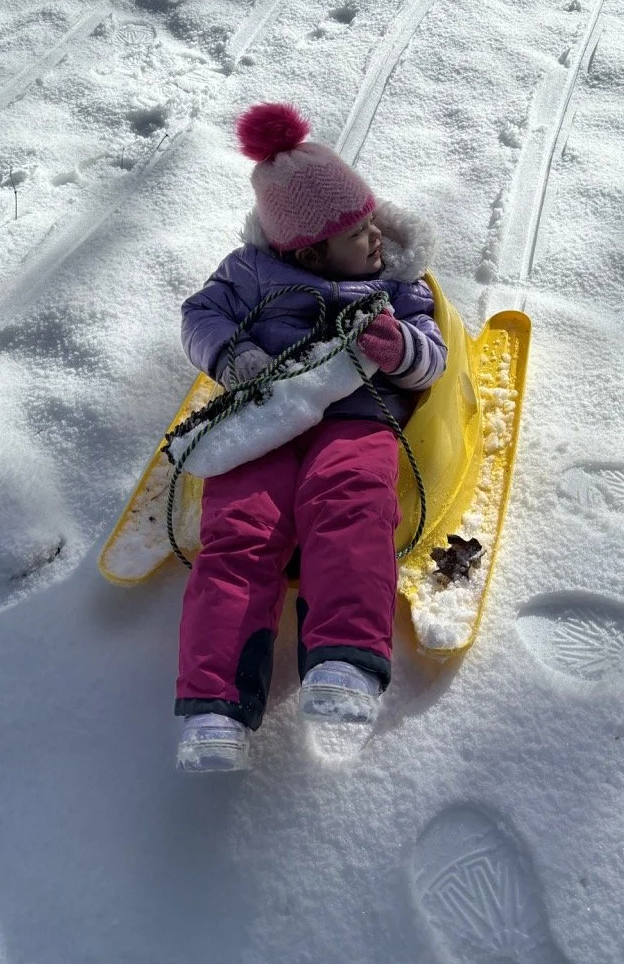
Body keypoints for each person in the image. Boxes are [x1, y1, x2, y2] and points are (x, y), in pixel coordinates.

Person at [175, 102, 447, 771]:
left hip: (356, 416)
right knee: (239, 530)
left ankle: (344, 661)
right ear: (308, 249)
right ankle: (214, 707)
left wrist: (397, 347)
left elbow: (433, 359)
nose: (375, 237)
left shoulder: (394, 284)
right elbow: (200, 315)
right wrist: (236, 359)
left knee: (349, 500)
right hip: (265, 418)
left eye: (371, 220)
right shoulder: (250, 274)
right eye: (357, 232)